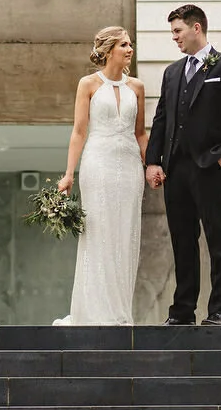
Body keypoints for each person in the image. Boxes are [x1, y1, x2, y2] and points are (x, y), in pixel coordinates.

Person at [144, 4, 221, 325]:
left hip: (209, 167)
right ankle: (182, 312)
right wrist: (153, 161)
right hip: (175, 170)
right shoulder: (172, 72)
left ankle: (218, 311)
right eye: (172, 33)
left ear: (196, 28)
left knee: (217, 239)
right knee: (182, 240)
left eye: (177, 31)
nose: (174, 38)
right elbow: (162, 118)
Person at [53, 26, 146, 325]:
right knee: (98, 234)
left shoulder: (138, 88)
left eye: (130, 44)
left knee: (126, 233)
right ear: (108, 50)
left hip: (130, 166)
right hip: (98, 164)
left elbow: (141, 134)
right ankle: (93, 312)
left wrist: (154, 166)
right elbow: (79, 131)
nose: (129, 49)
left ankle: (120, 312)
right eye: (123, 44)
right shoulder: (88, 84)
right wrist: (68, 174)